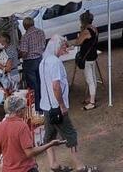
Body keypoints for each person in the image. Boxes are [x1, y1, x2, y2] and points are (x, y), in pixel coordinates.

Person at [40, 35, 95, 172]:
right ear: (57, 46)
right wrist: (62, 105)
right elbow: (56, 86)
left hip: (47, 106)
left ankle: (54, 164)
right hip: (56, 106)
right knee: (70, 135)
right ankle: (80, 166)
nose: (65, 49)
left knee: (49, 136)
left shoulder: (43, 62)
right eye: (63, 46)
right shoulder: (55, 62)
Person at [0, 94, 62, 172]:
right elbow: (29, 153)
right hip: (25, 168)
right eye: (25, 108)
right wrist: (50, 144)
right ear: (20, 110)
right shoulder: (22, 126)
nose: (26, 110)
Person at [17, 17, 46, 110]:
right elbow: (43, 45)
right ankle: (44, 103)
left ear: (25, 26)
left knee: (33, 86)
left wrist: (18, 54)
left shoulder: (26, 36)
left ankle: (37, 107)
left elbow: (24, 52)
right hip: (40, 59)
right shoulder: (41, 32)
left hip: (30, 62)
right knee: (41, 82)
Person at [74, 11, 100, 111]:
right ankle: (91, 97)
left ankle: (92, 102)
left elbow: (78, 42)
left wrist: (80, 33)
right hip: (93, 55)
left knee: (90, 80)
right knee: (93, 77)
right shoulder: (94, 28)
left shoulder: (86, 31)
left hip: (87, 57)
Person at [0, 32, 19, 114]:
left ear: (4, 41)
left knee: (12, 97)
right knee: (9, 96)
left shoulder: (10, 51)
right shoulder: (6, 50)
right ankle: (11, 113)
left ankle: (12, 114)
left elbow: (8, 68)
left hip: (11, 75)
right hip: (10, 75)